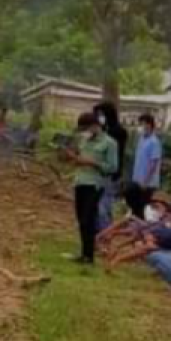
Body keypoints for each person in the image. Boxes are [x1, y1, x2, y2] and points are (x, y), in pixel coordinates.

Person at [63, 112, 119, 264]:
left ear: (95, 126)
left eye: (86, 128)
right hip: (80, 181)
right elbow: (79, 159)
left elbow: (113, 168)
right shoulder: (84, 140)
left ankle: (89, 255)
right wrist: (72, 157)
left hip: (95, 184)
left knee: (88, 219)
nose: (85, 132)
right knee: (81, 219)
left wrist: (92, 163)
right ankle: (84, 253)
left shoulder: (110, 143)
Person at [93, 101, 128, 229]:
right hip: (98, 172)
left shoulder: (118, 131)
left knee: (105, 204)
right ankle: (98, 229)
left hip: (111, 173)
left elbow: (115, 154)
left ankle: (105, 231)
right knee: (97, 203)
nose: (99, 118)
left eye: (101, 115)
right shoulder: (103, 130)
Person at [127, 113, 163, 219]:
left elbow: (154, 163)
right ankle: (137, 223)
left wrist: (146, 181)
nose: (142, 127)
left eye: (144, 124)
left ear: (150, 125)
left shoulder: (154, 142)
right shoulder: (142, 139)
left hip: (148, 182)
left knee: (142, 205)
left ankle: (143, 227)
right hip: (137, 179)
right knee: (134, 201)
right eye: (141, 124)